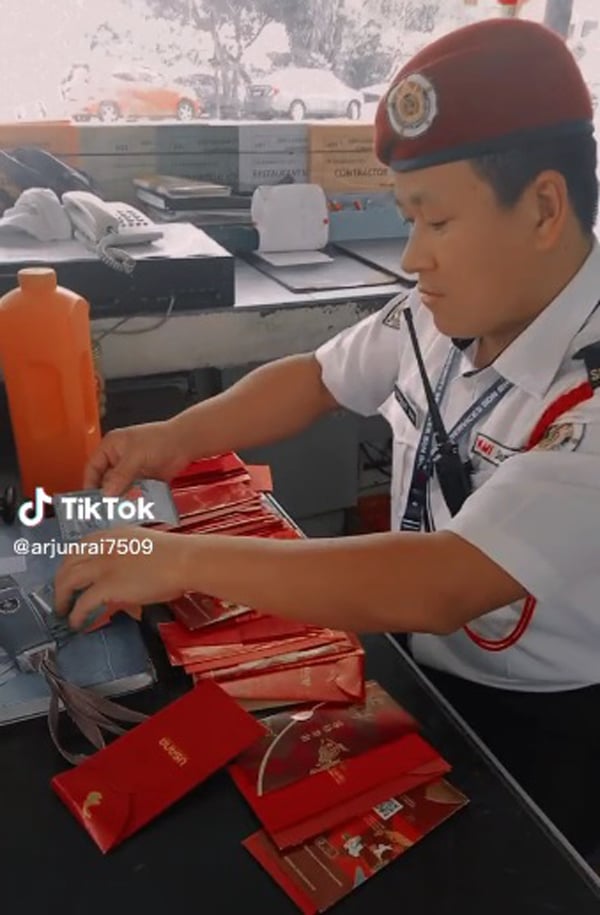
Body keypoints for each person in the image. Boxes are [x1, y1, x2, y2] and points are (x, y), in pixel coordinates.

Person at [54, 18, 600, 858]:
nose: (413, 257)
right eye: (407, 220)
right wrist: (175, 435)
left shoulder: (587, 394)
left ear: (544, 208)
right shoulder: (445, 311)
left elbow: (444, 582)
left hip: (542, 731)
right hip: (421, 674)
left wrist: (182, 558)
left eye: (436, 222)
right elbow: (317, 377)